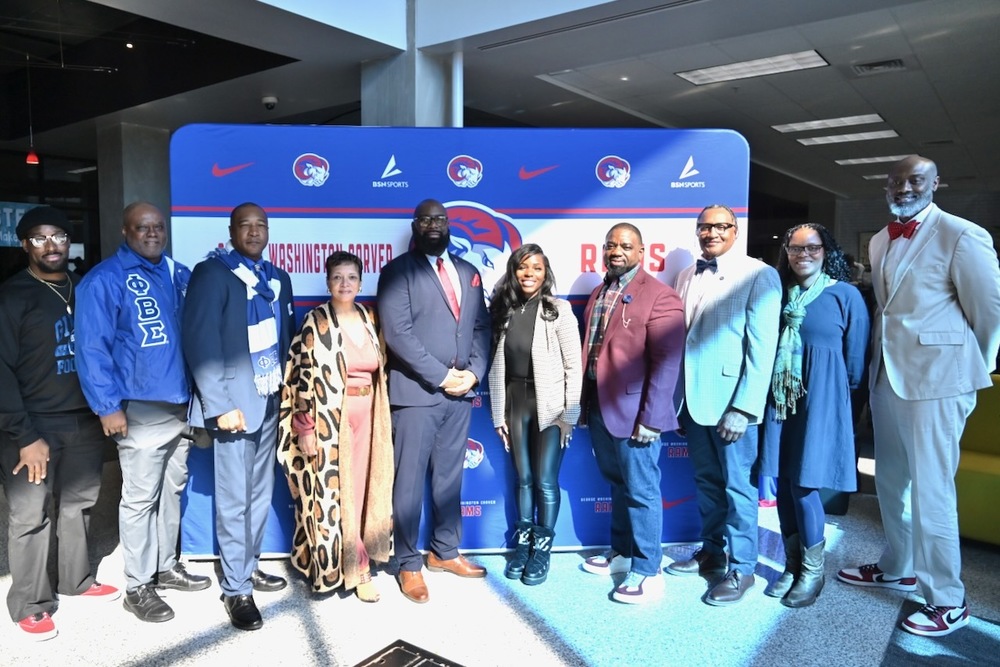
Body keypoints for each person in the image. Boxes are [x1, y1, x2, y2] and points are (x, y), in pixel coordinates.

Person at [837, 155, 1000, 637]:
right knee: (891, 481)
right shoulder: (882, 238)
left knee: (932, 489)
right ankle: (896, 566)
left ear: (935, 182)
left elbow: (989, 311)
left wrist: (972, 370)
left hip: (939, 380)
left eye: (915, 180)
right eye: (896, 180)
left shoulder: (962, 234)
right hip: (889, 376)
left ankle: (949, 600)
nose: (904, 188)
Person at [76, 202, 210, 624]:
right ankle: (137, 586)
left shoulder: (177, 273)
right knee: (139, 499)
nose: (151, 233)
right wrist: (107, 406)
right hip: (138, 409)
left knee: (171, 491)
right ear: (125, 231)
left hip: (180, 406)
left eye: (157, 227)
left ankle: (165, 566)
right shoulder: (105, 280)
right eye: (142, 227)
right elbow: (92, 348)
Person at [0, 206, 120, 641]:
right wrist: (25, 435)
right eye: (40, 238)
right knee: (31, 513)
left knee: (80, 503)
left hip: (83, 420)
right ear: (25, 245)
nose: (52, 246)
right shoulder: (13, 296)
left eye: (59, 237)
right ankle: (30, 603)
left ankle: (76, 580)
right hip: (32, 426)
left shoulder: (84, 287)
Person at [183, 202, 294, 631]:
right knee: (233, 500)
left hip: (268, 399)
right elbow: (201, 341)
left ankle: (246, 567)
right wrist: (219, 404)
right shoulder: (212, 274)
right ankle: (235, 589)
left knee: (258, 495)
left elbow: (283, 340)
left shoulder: (276, 278)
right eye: (245, 225)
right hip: (232, 405)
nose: (253, 231)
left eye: (260, 225)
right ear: (230, 231)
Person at [377, 198, 491, 604]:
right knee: (407, 483)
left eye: (439, 219)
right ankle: (407, 564)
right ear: (414, 224)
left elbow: (480, 327)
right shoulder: (396, 273)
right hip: (416, 394)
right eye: (425, 219)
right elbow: (398, 333)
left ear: (448, 224)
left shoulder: (468, 272)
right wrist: (442, 376)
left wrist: (473, 373)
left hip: (460, 395)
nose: (432, 225)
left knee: (449, 478)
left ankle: (444, 551)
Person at [668, 204, 781, 606]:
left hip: (732, 406)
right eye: (704, 226)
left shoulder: (759, 274)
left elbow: (762, 349)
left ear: (736, 229)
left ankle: (743, 567)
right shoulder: (685, 275)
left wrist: (745, 407)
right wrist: (675, 401)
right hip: (693, 403)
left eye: (721, 226)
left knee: (738, 489)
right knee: (707, 485)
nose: (711, 232)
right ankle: (712, 553)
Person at [759, 224, 869, 608]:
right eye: (794, 248)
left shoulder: (846, 295)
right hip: (780, 400)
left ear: (826, 251)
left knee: (805, 486)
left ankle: (812, 572)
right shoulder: (777, 295)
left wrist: (838, 409)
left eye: (812, 247)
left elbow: (856, 365)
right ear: (785, 252)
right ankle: (791, 564)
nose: (802, 254)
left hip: (822, 400)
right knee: (785, 482)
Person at [578, 223, 685, 605]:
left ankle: (647, 568)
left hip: (637, 414)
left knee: (641, 490)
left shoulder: (660, 296)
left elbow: (667, 363)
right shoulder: (601, 291)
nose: (616, 251)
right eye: (610, 245)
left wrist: (652, 418)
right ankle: (623, 553)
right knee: (618, 484)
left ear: (642, 252)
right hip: (599, 409)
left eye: (625, 245)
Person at [277, 252, 393, 601]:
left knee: (361, 492)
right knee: (333, 495)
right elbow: (299, 380)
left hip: (369, 417)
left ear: (361, 282)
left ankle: (359, 558)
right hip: (330, 422)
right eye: (338, 277)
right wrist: (306, 428)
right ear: (327, 282)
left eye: (352, 277)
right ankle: (354, 570)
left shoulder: (369, 317)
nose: (345, 284)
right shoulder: (316, 322)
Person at [487, 244, 582, 586]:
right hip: (515, 404)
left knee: (545, 481)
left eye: (537, 268)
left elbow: (574, 365)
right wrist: (499, 414)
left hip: (551, 408)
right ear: (514, 272)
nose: (529, 274)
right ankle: (523, 546)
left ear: (546, 273)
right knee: (523, 479)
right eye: (523, 268)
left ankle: (542, 548)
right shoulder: (504, 311)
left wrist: (568, 415)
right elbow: (496, 368)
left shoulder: (559, 310)